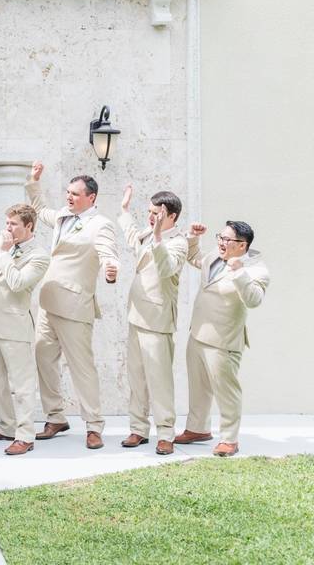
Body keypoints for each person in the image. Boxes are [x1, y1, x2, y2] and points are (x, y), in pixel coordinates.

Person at [25, 161, 119, 450]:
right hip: (49, 302)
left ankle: (93, 426)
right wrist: (34, 181)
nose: (69, 197)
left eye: (75, 194)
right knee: (43, 357)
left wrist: (110, 267)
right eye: (67, 192)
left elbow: (107, 251)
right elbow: (40, 210)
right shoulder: (64, 216)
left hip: (76, 305)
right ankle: (55, 416)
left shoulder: (100, 224)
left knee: (82, 367)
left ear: (91, 198)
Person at [175, 220, 270, 457]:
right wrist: (193, 237)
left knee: (226, 390)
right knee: (198, 387)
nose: (221, 242)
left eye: (228, 239)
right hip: (197, 333)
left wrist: (239, 272)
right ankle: (197, 429)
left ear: (242, 245)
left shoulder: (257, 270)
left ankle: (229, 439)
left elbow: (254, 300)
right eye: (220, 237)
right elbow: (194, 256)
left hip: (224, 340)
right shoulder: (212, 258)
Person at [117, 185, 188, 455]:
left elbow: (167, 267)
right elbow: (132, 234)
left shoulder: (178, 242)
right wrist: (124, 210)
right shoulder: (147, 233)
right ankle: (137, 429)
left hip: (158, 321)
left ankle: (166, 433)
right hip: (136, 316)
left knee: (159, 381)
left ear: (170, 216)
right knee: (136, 378)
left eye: (155, 213)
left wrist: (158, 236)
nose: (150, 217)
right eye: (148, 212)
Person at [0, 204, 50, 455]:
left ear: (29, 226)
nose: (7, 229)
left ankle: (25, 435)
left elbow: (17, 283)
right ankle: (6, 426)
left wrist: (5, 254)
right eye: (7, 223)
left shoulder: (39, 255)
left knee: (22, 384)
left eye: (14, 224)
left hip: (15, 325)